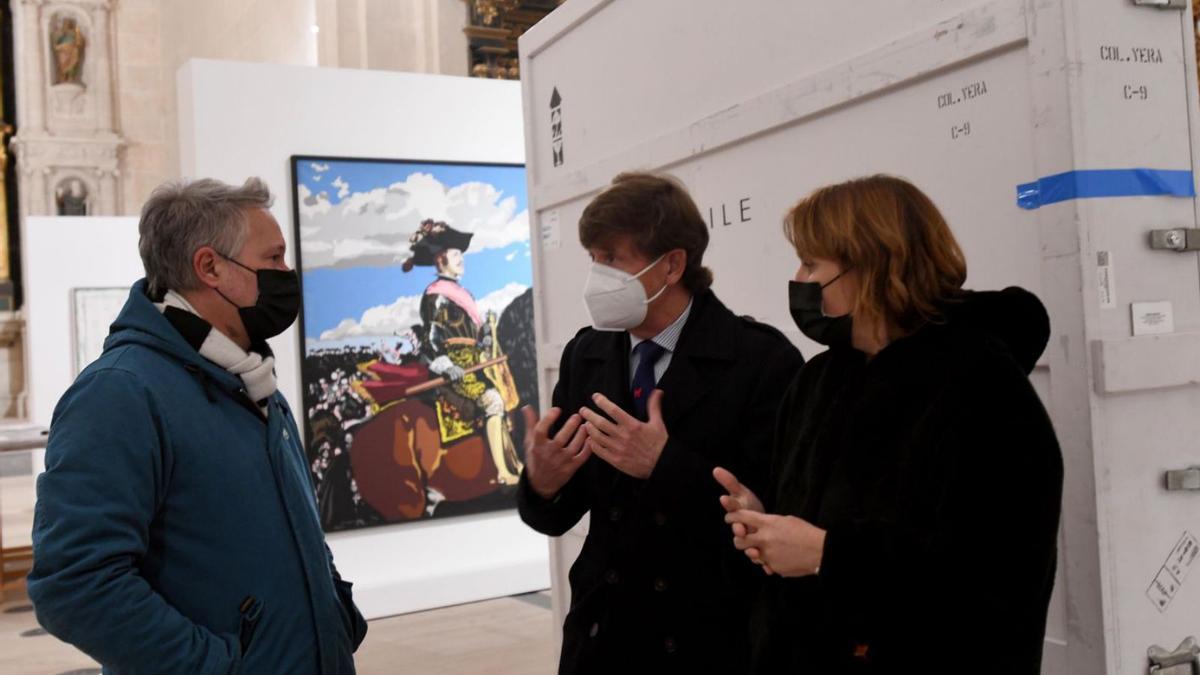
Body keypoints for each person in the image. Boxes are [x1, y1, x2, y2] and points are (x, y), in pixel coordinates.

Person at [717, 175, 1063, 673]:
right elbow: (819, 519)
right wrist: (765, 520)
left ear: (872, 265)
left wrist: (828, 555)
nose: (800, 278)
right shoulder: (819, 381)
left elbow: (1000, 578)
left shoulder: (984, 388)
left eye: (812, 262)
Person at [27, 177, 367, 673]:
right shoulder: (120, 394)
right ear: (210, 267)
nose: (287, 273)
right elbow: (74, 582)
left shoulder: (248, 377)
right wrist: (216, 668)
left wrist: (336, 618)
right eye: (273, 259)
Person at [517, 172, 804, 674]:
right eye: (593, 259)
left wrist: (665, 464)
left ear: (672, 264)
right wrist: (542, 484)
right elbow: (560, 514)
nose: (597, 276)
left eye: (612, 259)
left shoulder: (760, 360)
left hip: (708, 639)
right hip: (601, 635)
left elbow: (776, 515)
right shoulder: (587, 354)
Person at [404, 218, 523, 485]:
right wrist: (447, 366)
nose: (462, 260)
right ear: (441, 260)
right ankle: (503, 472)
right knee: (492, 400)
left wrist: (484, 339)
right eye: (456, 255)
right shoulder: (435, 295)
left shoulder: (463, 293)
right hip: (456, 367)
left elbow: (472, 336)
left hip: (476, 361)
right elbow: (433, 339)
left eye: (460, 255)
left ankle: (515, 462)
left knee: (507, 395)